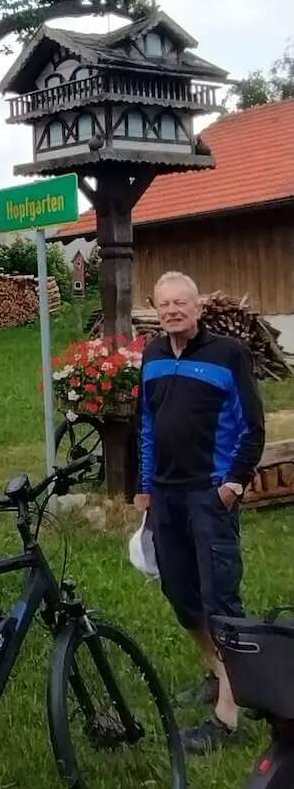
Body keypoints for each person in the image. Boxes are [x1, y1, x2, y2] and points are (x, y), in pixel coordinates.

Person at [134, 270, 265, 754]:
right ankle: (218, 672)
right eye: (164, 304)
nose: (172, 311)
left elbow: (253, 426)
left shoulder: (229, 355)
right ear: (157, 310)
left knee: (220, 599)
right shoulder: (151, 355)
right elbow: (147, 424)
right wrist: (144, 487)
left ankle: (229, 717)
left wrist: (232, 485)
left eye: (181, 303)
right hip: (165, 497)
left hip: (209, 495)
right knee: (179, 593)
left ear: (198, 308)